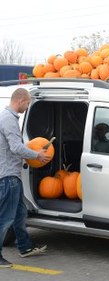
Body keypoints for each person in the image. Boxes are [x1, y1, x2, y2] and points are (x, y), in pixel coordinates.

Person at [0, 88, 52, 268]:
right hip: (8, 177)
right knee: (5, 218)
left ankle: (24, 247)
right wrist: (36, 155)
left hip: (12, 176)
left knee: (20, 213)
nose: (27, 106)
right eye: (28, 103)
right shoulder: (9, 120)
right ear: (20, 100)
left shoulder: (9, 119)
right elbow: (15, 147)